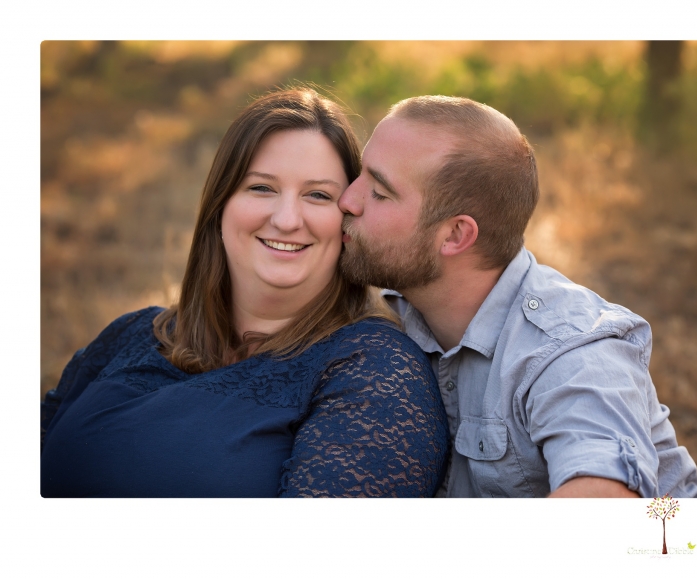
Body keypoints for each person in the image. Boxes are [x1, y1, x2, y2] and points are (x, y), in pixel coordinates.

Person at [40, 88, 449, 498]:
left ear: (347, 220)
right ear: (221, 204)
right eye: (261, 188)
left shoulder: (373, 370)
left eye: (318, 195)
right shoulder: (130, 335)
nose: (287, 220)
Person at [338, 95, 697, 498]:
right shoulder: (390, 311)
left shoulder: (570, 350)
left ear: (456, 235)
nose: (347, 200)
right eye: (359, 176)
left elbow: (606, 505)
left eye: (379, 192)